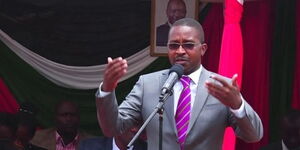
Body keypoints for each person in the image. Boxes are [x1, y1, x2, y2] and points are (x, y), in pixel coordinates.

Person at [96, 0, 263, 149]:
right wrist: (107, 90)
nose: (180, 51)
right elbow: (113, 128)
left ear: (203, 49)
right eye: (174, 45)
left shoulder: (221, 87)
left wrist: (237, 105)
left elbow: (254, 135)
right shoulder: (148, 84)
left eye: (189, 45)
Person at [78, 126, 147, 150]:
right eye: (130, 122)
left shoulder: (150, 148)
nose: (135, 129)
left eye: (138, 124)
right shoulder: (89, 147)